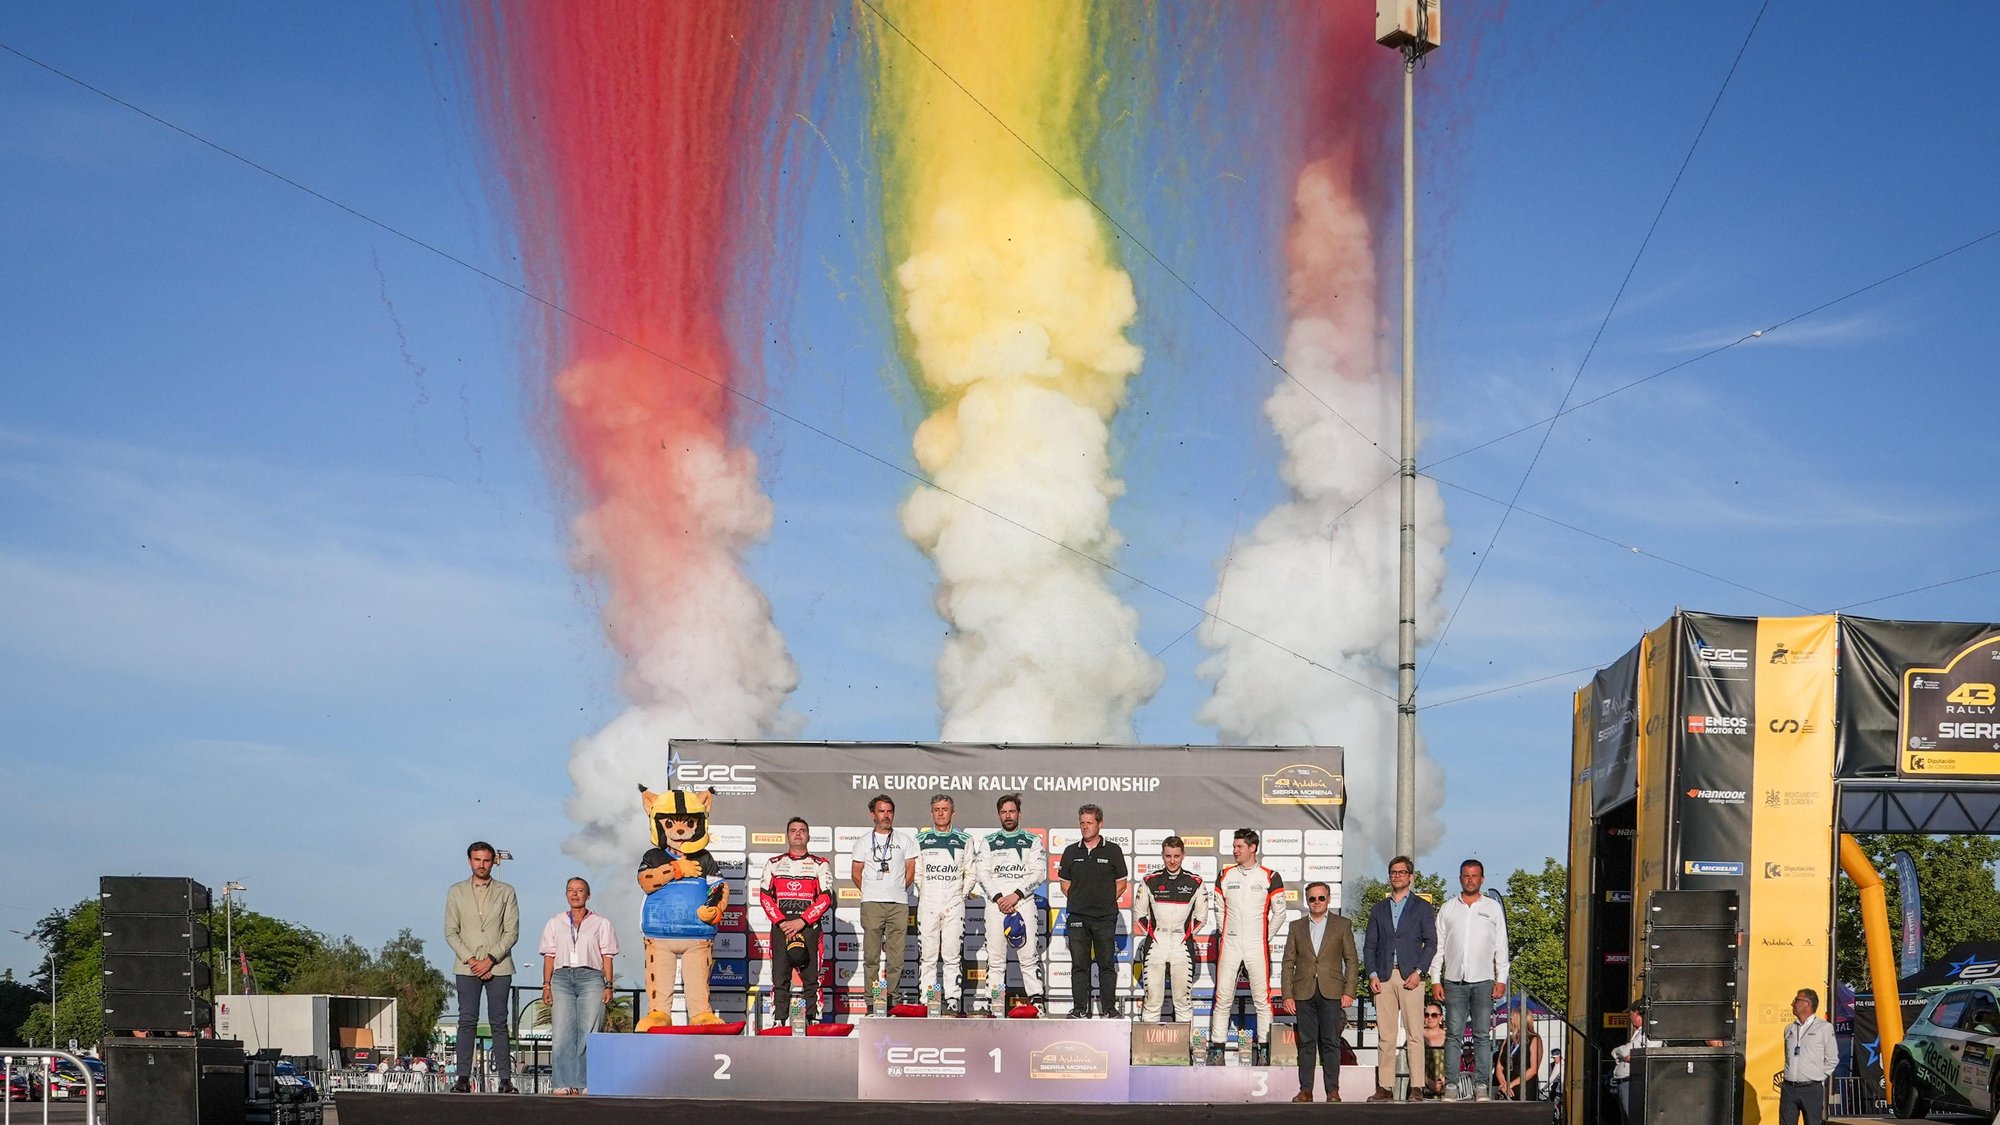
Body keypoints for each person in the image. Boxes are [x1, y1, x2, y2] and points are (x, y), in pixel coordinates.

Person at [1430, 859, 1508, 1102]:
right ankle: (1451, 1086)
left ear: (1482, 879)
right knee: (1453, 1034)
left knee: (1482, 1036)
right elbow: (1438, 947)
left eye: (1475, 876)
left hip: (1484, 980)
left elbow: (1501, 946)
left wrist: (1501, 978)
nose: (1470, 880)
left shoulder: (1492, 908)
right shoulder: (1448, 908)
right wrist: (1435, 978)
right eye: (1466, 876)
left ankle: (1482, 1086)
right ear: (1460, 878)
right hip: (1454, 980)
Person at [445, 840, 519, 1094]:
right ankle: (462, 1078)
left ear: (493, 862)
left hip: (499, 966)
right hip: (467, 967)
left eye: (486, 860)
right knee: (467, 1021)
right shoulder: (456, 891)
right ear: (469, 861)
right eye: (477, 860)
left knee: (499, 1022)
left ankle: (505, 1080)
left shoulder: (506, 891)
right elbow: (450, 932)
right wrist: (473, 961)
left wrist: (491, 959)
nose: (482, 865)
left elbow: (511, 932)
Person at [1365, 854, 1438, 1101]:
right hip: (1384, 977)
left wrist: (1420, 972)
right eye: (1393, 872)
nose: (1397, 876)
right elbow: (1369, 945)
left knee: (1415, 1034)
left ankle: (1416, 1087)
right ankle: (1384, 1087)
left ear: (1411, 876)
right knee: (1386, 1035)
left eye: (1402, 872)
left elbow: (1431, 943)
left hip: (1411, 978)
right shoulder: (1379, 909)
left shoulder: (1422, 907)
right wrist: (1372, 974)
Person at [1209, 828, 1287, 1062]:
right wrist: (1228, 934)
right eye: (1234, 847)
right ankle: (1217, 1050)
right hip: (1231, 944)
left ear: (1252, 848)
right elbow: (1219, 910)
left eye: (1239, 847)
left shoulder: (1270, 876)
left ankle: (1264, 1049)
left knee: (1262, 999)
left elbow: (1280, 913)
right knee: (1223, 997)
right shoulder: (1225, 875)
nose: (1235, 851)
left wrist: (1264, 937)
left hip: (1256, 944)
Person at [1281, 880, 1360, 1103]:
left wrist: (1349, 991)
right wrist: (1287, 994)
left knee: (1331, 1041)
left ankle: (1332, 1090)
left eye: (1321, 898)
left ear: (1329, 899)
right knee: (1306, 1042)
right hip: (1303, 991)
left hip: (1332, 990)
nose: (1316, 902)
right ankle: (1306, 1090)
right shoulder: (1296, 927)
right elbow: (1288, 962)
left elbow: (1351, 960)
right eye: (1312, 898)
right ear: (1307, 901)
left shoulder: (1342, 924)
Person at [539, 877, 617, 1095]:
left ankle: (584, 1082)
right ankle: (562, 1082)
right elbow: (549, 956)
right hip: (561, 978)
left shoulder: (601, 923)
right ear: (566, 895)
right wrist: (546, 986)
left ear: (588, 895)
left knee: (588, 1030)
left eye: (580, 890)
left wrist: (608, 985)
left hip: (591, 977)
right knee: (562, 1032)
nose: (575, 894)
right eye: (570, 890)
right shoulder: (555, 922)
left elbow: (607, 956)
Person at [975, 793, 1047, 1012]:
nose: (1008, 816)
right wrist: (999, 898)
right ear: (999, 815)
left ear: (1019, 814)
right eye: (1004, 812)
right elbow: (982, 874)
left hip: (1022, 902)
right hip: (996, 904)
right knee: (995, 958)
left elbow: (1039, 873)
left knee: (1028, 957)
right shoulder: (988, 842)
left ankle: (1036, 1001)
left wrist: (1016, 895)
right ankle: (995, 1001)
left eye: (1012, 811)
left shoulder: (1032, 840)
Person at [758, 817, 832, 1025]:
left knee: (812, 978)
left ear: (808, 836)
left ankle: (814, 1019)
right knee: (780, 978)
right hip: (781, 927)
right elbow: (765, 896)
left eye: (802, 830)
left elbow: (826, 898)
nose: (798, 834)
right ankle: (779, 1020)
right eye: (793, 830)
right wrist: (782, 922)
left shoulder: (820, 864)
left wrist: (802, 921)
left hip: (809, 927)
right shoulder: (773, 863)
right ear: (787, 835)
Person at [1058, 804, 1129, 1018]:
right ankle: (1080, 1008)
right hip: (1078, 916)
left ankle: (1109, 1009)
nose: (1085, 827)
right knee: (1080, 965)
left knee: (1106, 964)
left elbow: (1122, 883)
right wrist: (1082, 901)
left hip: (1105, 917)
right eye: (1082, 823)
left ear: (1100, 824)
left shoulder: (1113, 850)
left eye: (1089, 823)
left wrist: (1102, 901)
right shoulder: (1071, 851)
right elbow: (1064, 884)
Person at [847, 795, 915, 1014]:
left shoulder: (905, 840)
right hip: (872, 904)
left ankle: (893, 1000)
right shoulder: (864, 842)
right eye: (882, 811)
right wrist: (872, 890)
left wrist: (894, 889)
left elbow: (910, 871)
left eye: (889, 811)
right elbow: (856, 874)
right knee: (872, 957)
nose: (886, 816)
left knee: (896, 958)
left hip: (898, 904)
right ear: (873, 815)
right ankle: (872, 1000)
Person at [1135, 836, 1209, 1024]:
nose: (1172, 860)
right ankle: (1147, 1050)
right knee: (1152, 1001)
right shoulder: (1149, 880)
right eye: (1168, 856)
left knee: (1183, 1001)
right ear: (1162, 855)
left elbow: (1201, 918)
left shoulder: (1195, 882)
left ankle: (1187, 1049)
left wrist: (1184, 937)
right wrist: (1154, 936)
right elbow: (1139, 914)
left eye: (1176, 856)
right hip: (1156, 945)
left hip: (1181, 946)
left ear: (1183, 855)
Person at [914, 796, 974, 1015]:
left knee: (951, 956)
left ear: (953, 813)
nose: (940, 813)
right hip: (928, 902)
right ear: (931, 813)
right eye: (937, 810)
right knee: (927, 956)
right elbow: (918, 873)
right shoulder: (920, 839)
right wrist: (926, 895)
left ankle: (952, 1000)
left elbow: (971, 872)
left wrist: (960, 895)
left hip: (954, 902)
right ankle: (928, 999)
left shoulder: (964, 839)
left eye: (945, 809)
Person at [1780, 988, 1838, 1125]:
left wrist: (1817, 1077)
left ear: (1807, 1004)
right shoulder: (1789, 1028)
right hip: (1789, 1088)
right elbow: (1788, 1056)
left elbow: (1832, 1058)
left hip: (1811, 1088)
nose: (1793, 1004)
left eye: (1796, 1001)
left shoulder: (1824, 1027)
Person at [1610, 1001, 1655, 1122]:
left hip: (1631, 1081)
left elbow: (1626, 1051)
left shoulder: (1647, 1031)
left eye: (1630, 1014)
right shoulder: (1640, 1031)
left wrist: (1616, 1052)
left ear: (1636, 1013)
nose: (1629, 1018)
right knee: (1626, 1117)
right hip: (1626, 1081)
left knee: (1632, 1117)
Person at [1494, 1009, 1544, 1101]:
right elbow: (1499, 1067)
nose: (1508, 1023)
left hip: (1524, 1088)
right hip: (1506, 1088)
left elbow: (1533, 1069)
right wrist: (1504, 1084)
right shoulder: (1507, 1041)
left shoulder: (1534, 1040)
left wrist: (1512, 1084)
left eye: (1510, 1019)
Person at [1422, 1001, 1449, 1099]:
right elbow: (1409, 1062)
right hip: (1421, 1086)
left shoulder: (1449, 1037)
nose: (1429, 1018)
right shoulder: (1416, 1037)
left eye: (1434, 1015)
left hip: (1445, 1086)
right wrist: (1429, 1082)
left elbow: (1455, 1060)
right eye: (1426, 1014)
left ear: (1441, 1017)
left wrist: (1443, 1080)